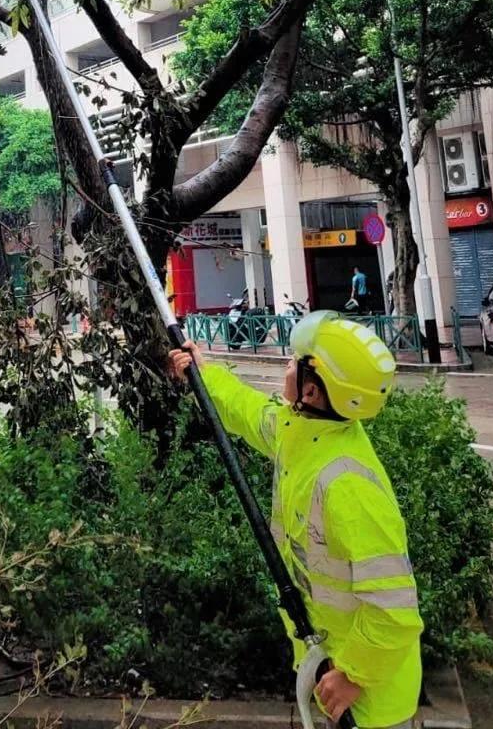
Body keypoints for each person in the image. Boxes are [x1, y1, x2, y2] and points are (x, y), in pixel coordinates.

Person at [170, 312, 422, 728]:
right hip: (330, 671)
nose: (286, 366)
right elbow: (248, 411)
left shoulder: (348, 487)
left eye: (293, 362)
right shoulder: (304, 433)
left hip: (370, 702)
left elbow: (394, 611)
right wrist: (204, 374)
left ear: (311, 390)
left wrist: (353, 676)